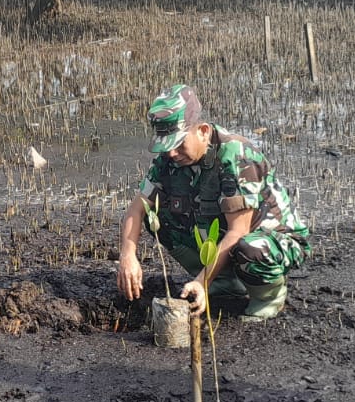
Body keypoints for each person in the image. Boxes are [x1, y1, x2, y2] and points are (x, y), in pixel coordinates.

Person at [115, 84, 309, 320]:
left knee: (249, 247)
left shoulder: (236, 156)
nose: (172, 154)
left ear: (203, 131)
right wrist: (127, 255)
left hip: (274, 239)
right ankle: (225, 283)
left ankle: (268, 297)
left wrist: (200, 283)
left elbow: (238, 231)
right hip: (229, 232)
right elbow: (137, 208)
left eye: (178, 144)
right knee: (158, 218)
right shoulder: (169, 160)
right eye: (167, 147)